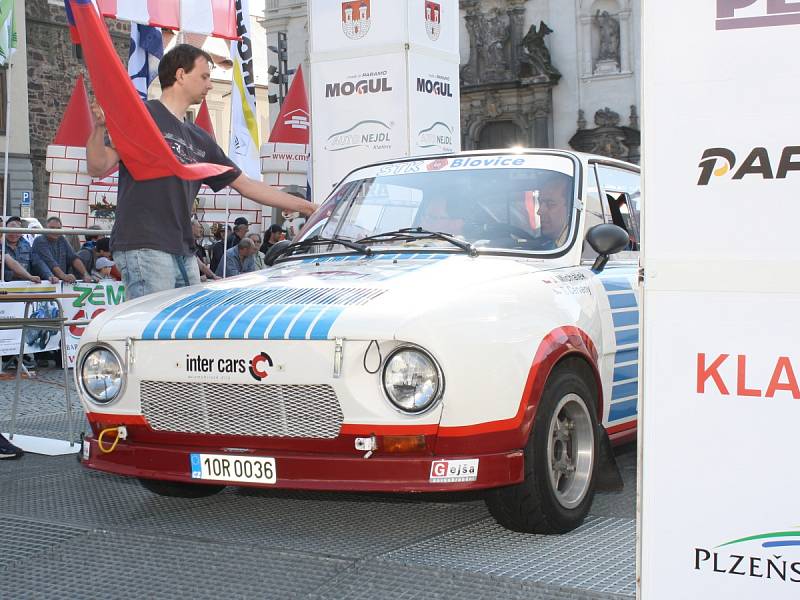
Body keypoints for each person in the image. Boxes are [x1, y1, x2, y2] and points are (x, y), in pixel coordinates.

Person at [86, 44, 316, 300]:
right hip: (144, 243)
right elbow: (98, 166)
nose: (209, 85)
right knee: (153, 332)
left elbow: (247, 184)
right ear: (181, 74)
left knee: (184, 332)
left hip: (183, 249)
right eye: (205, 76)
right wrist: (98, 129)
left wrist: (309, 208)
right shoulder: (142, 115)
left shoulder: (200, 138)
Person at [31, 216, 96, 283]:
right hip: (43, 283)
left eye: (58, 228)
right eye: (52, 228)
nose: (55, 231)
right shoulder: (40, 240)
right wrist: (64, 276)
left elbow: (73, 258)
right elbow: (51, 262)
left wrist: (86, 274)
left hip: (59, 283)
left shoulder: (61, 239)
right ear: (45, 229)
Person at [2, 216, 49, 284]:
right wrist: (15, 275)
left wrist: (49, 276)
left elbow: (37, 262)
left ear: (21, 232)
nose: (13, 234)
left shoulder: (26, 245)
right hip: (5, 287)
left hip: (25, 286)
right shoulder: (2, 245)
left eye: (17, 231)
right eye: (10, 230)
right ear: (5, 231)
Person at [535, 174, 572, 249]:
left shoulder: (583, 248)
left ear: (570, 208)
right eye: (540, 202)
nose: (539, 212)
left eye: (550, 204)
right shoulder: (542, 244)